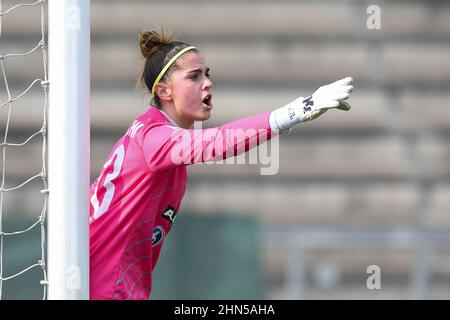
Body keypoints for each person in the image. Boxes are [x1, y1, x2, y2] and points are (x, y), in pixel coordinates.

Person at [89, 29, 354, 300]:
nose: (207, 83)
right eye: (194, 76)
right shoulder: (152, 137)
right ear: (163, 91)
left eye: (207, 74)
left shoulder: (149, 134)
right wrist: (292, 113)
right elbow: (217, 142)